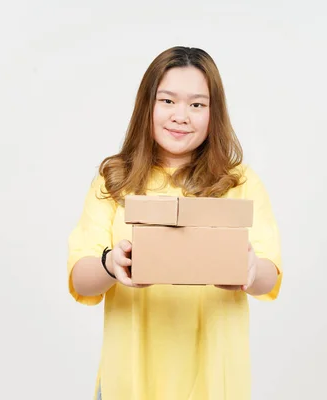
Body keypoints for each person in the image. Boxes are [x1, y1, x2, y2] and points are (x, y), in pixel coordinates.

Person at [67, 46, 282, 400]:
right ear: (146, 106)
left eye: (197, 104)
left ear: (214, 113)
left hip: (214, 381)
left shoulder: (239, 181)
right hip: (130, 380)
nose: (181, 116)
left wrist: (250, 268)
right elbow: (80, 277)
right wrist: (110, 264)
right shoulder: (113, 180)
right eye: (167, 101)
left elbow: (270, 275)